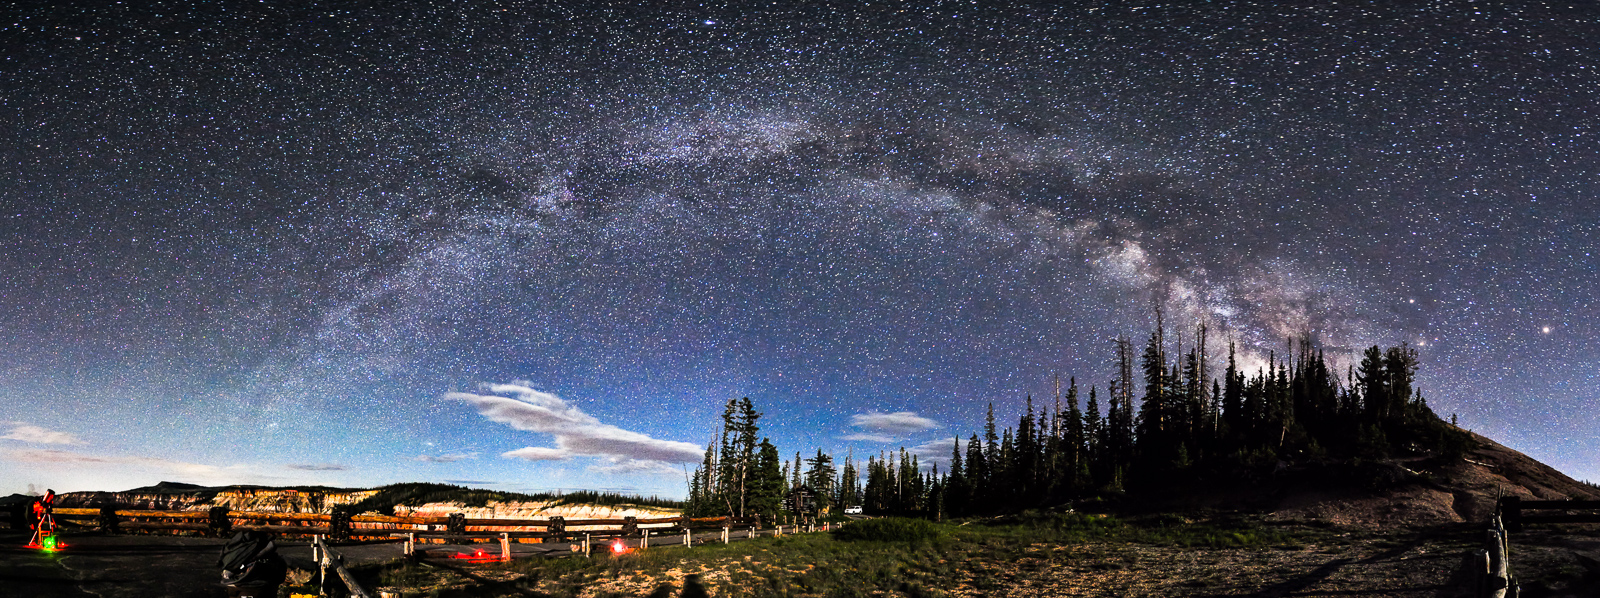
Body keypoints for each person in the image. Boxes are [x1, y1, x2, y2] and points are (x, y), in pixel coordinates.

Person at [218, 530, 287, 597]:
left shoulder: (237, 551)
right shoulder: (272, 559)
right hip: (255, 588)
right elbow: (280, 577)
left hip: (238, 586)